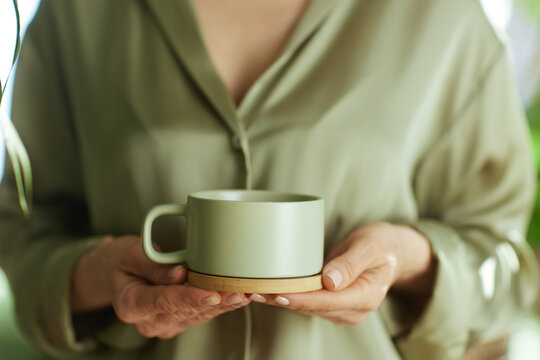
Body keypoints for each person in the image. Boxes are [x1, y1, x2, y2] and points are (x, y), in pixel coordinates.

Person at [0, 0, 538, 359]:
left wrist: (408, 259)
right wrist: (95, 274)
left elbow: (504, 265)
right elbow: (25, 232)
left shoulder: (442, 19)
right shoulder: (78, 15)